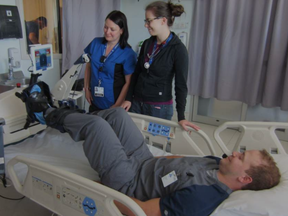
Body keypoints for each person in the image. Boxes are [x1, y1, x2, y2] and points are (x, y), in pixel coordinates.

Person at [17, 81, 281, 216]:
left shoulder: (201, 198)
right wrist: (151, 156)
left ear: (245, 178)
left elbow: (142, 211)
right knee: (119, 116)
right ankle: (68, 120)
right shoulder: (217, 164)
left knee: (97, 128)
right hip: (144, 160)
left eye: (241, 156)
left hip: (128, 181)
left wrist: (104, 194)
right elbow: (180, 160)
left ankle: (46, 113)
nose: (234, 152)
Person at [121, 1, 197, 131]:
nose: (146, 25)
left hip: (159, 108)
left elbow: (181, 85)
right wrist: (128, 99)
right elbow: (137, 73)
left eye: (149, 21)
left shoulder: (178, 50)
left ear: (163, 20)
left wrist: (181, 117)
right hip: (137, 103)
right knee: (132, 141)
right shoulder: (147, 44)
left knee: (156, 146)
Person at [84, 10, 137, 113]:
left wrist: (116, 106)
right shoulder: (95, 43)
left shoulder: (128, 53)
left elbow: (128, 83)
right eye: (105, 27)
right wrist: (86, 89)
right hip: (95, 102)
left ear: (121, 30)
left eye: (112, 29)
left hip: (113, 104)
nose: (107, 32)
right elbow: (88, 67)